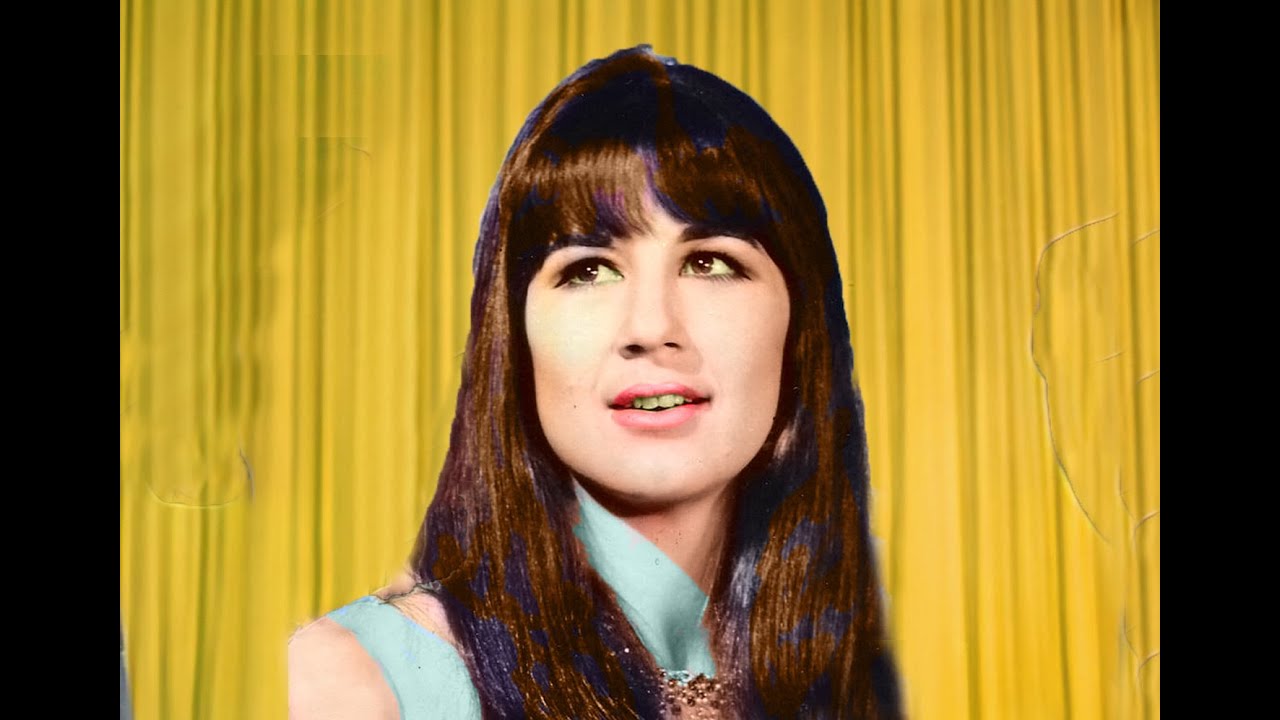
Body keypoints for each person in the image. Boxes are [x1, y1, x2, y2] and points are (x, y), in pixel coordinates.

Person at [290, 45, 903, 719]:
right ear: (513, 338)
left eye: (709, 262)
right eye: (587, 269)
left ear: (802, 326)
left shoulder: (884, 657)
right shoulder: (358, 680)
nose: (651, 326)